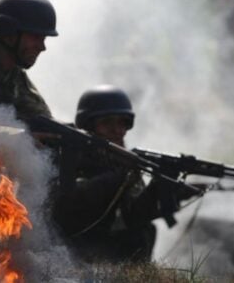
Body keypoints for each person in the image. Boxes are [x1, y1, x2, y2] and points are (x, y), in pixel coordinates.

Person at [52, 85, 193, 263]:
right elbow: (73, 201)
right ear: (88, 125)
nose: (117, 130)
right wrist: (122, 175)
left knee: (144, 231)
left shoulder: (122, 160)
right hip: (72, 250)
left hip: (108, 252)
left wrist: (160, 187)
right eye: (107, 123)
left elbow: (134, 215)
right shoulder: (72, 154)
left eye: (122, 123)